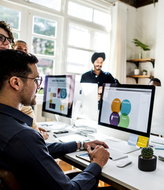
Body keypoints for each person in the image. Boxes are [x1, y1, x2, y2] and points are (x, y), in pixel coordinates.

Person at [0, 49, 110, 189]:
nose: (39, 86)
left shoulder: (11, 129)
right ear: (16, 83)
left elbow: (37, 149)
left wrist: (81, 144)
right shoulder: (22, 136)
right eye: (35, 80)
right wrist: (97, 163)